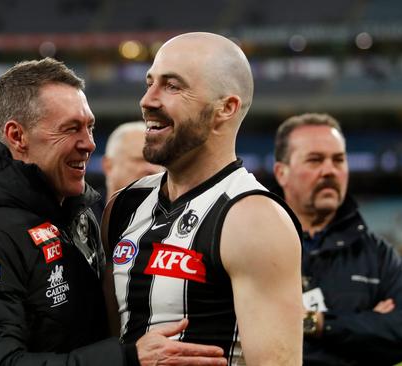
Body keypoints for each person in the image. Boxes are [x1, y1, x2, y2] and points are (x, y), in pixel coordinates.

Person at [0, 58, 226, 366]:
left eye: (90, 127)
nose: (90, 144)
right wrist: (127, 360)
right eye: (71, 129)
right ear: (17, 136)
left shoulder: (74, 214)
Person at [101, 32, 303, 366]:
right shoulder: (124, 205)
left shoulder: (254, 219)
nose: (148, 100)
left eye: (172, 86)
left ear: (226, 108)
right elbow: (108, 342)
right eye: (150, 83)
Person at [272, 112, 402, 365]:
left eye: (338, 160)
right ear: (282, 173)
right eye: (315, 160)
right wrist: (365, 325)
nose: (329, 170)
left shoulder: (377, 253)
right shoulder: (255, 243)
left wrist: (317, 323)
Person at [102, 121, 164, 201]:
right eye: (140, 160)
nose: (152, 169)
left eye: (157, 161)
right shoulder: (84, 211)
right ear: (109, 166)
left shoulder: (181, 211)